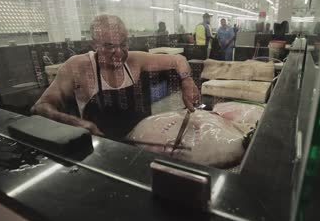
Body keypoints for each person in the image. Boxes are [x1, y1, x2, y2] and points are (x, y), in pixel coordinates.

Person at [31, 15, 199, 140]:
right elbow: (41, 107)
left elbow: (179, 60)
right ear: (94, 45)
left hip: (142, 142)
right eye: (109, 46)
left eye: (123, 44)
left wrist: (186, 81)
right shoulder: (77, 67)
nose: (119, 53)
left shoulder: (135, 60)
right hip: (101, 148)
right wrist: (77, 124)